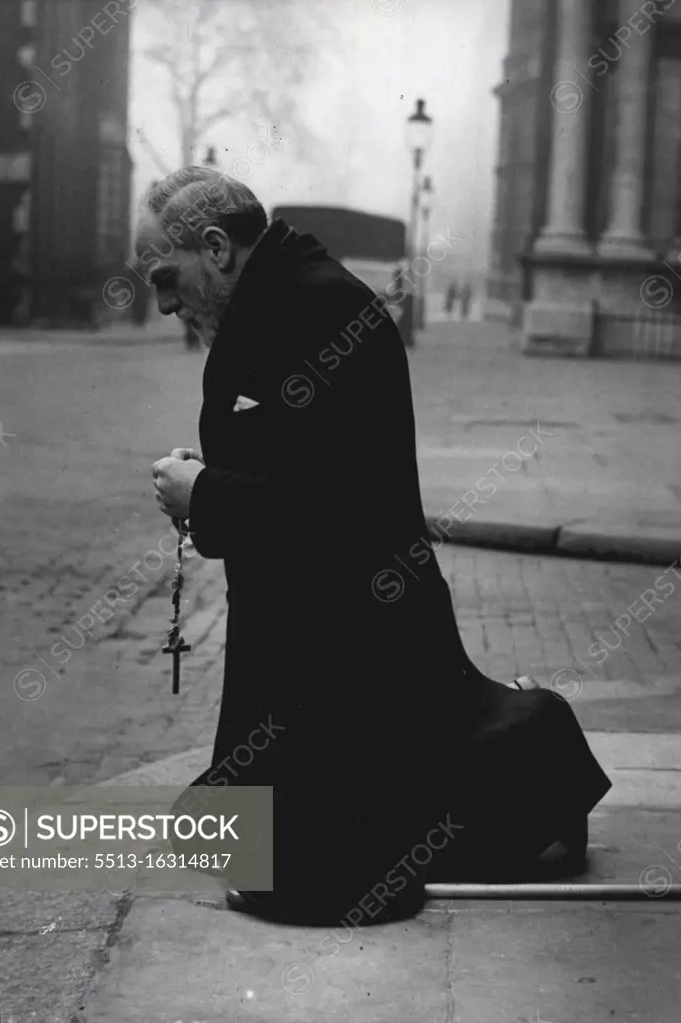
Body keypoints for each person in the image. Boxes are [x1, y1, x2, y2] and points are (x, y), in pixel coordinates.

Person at [142, 167, 611, 926]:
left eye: (168, 276)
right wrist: (212, 486)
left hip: (359, 651)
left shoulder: (321, 308)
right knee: (208, 831)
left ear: (217, 247)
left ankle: (527, 765)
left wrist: (206, 496)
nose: (162, 302)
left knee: (310, 859)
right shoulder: (270, 305)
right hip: (310, 651)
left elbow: (341, 502)